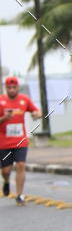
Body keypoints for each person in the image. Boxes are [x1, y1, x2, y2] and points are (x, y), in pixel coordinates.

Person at [0, 76, 42, 205]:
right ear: (5, 88)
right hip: (4, 141)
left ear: (18, 87)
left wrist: (36, 114)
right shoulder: (1, 101)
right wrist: (4, 118)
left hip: (20, 140)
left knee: (21, 165)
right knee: (6, 171)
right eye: (9, 87)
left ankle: (19, 195)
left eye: (14, 87)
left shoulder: (24, 100)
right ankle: (6, 182)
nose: (12, 90)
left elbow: (38, 111)